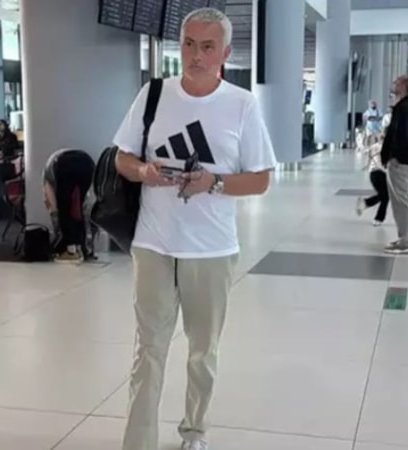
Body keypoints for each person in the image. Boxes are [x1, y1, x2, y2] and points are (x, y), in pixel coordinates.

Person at [112, 8, 276, 450]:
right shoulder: (153, 94)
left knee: (202, 351)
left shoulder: (241, 104)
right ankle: (138, 441)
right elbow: (121, 156)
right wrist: (143, 171)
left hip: (211, 249)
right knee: (149, 347)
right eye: (188, 44)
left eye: (207, 47)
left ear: (225, 53)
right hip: (153, 242)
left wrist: (214, 183)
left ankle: (194, 430)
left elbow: (261, 179)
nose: (196, 56)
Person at [381, 74, 408, 255]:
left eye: (397, 81)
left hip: (401, 162)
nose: (394, 83)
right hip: (405, 160)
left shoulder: (405, 109)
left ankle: (406, 242)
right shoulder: (407, 107)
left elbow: (403, 136)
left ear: (405, 85)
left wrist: (393, 155)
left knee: (401, 201)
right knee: (405, 199)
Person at [42, 149, 95, 263]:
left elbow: (51, 205)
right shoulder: (49, 168)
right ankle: (85, 249)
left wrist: (56, 222)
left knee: (64, 209)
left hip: (62, 163)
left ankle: (70, 251)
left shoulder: (47, 178)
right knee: (80, 209)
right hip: (87, 162)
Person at [356, 138, 389, 226]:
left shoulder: (375, 146)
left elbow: (369, 156)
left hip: (374, 173)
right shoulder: (383, 146)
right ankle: (378, 218)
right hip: (379, 173)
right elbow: (378, 161)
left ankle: (366, 203)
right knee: (385, 196)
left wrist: (367, 166)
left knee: (384, 195)